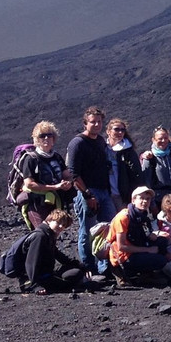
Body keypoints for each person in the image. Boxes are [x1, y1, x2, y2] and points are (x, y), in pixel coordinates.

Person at [66, 106, 117, 273]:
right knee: (87, 231)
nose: (96, 124)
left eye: (99, 121)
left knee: (108, 228)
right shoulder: (78, 143)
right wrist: (87, 195)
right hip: (86, 192)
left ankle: (105, 267)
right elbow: (73, 173)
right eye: (92, 122)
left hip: (104, 190)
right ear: (85, 123)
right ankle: (89, 267)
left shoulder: (101, 141)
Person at [1, 210, 92, 294]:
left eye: (64, 225)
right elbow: (31, 263)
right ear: (49, 220)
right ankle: (32, 285)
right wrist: (35, 286)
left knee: (75, 272)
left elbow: (58, 255)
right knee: (74, 277)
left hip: (44, 274)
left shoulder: (48, 235)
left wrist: (81, 266)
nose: (61, 227)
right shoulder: (39, 236)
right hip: (31, 279)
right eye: (59, 222)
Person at [108, 186, 171, 285]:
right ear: (133, 200)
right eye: (141, 198)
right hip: (123, 257)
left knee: (162, 241)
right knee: (160, 260)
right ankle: (136, 274)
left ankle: (146, 272)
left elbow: (144, 234)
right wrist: (148, 250)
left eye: (147, 199)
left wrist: (154, 235)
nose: (145, 201)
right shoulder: (123, 217)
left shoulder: (142, 215)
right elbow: (122, 246)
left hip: (136, 247)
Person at [19, 120, 74, 230]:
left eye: (49, 135)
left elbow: (67, 175)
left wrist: (68, 183)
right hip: (37, 203)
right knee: (42, 232)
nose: (46, 138)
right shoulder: (31, 159)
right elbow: (29, 184)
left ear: (54, 138)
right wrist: (54, 187)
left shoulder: (57, 157)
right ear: (36, 139)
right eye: (42, 136)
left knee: (54, 231)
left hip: (55, 201)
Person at [106, 118, 143, 210]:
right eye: (116, 129)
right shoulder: (102, 149)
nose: (120, 132)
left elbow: (136, 174)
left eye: (122, 130)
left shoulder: (128, 151)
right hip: (106, 195)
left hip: (122, 196)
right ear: (108, 131)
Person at [140, 126, 171, 204]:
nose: (163, 141)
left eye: (166, 138)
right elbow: (146, 182)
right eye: (160, 139)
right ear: (153, 140)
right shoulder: (150, 158)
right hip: (158, 199)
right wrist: (152, 203)